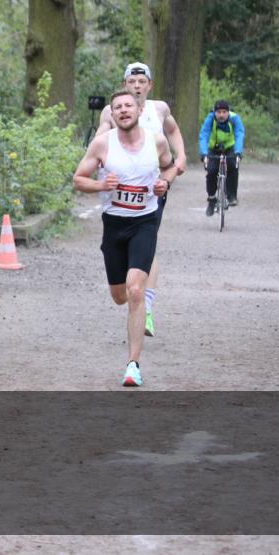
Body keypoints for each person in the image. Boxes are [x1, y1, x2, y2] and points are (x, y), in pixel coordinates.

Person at [74, 89, 178, 387]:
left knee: (135, 291)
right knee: (119, 295)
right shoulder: (102, 144)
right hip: (114, 226)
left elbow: (170, 166)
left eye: (128, 106)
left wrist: (164, 182)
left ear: (138, 110)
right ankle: (132, 306)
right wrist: (100, 184)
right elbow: (79, 178)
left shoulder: (155, 141)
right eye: (117, 107)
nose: (123, 110)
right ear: (112, 114)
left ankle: (133, 365)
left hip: (144, 223)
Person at [95, 62, 186, 338]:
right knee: (121, 277)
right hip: (120, 192)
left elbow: (172, 130)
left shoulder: (160, 108)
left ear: (149, 85)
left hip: (153, 189)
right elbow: (100, 135)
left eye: (141, 82)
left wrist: (180, 156)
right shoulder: (113, 110)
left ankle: (145, 305)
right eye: (131, 82)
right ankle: (135, 295)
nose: (136, 86)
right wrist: (96, 153)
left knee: (148, 243)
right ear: (125, 85)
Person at [199, 99, 245, 216]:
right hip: (213, 148)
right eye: (218, 112)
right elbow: (204, 135)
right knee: (211, 171)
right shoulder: (210, 119)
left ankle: (231, 196)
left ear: (228, 112)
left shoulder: (234, 119)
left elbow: (239, 134)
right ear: (214, 112)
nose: (221, 115)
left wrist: (238, 152)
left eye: (224, 112)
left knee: (233, 166)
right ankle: (211, 199)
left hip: (230, 148)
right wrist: (204, 154)